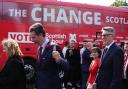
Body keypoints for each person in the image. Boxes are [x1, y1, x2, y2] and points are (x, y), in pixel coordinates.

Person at [29, 23, 68, 89]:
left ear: (41, 35)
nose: (32, 40)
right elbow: (40, 70)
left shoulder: (54, 47)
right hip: (41, 85)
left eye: (33, 37)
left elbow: (67, 66)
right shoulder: (39, 48)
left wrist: (60, 60)